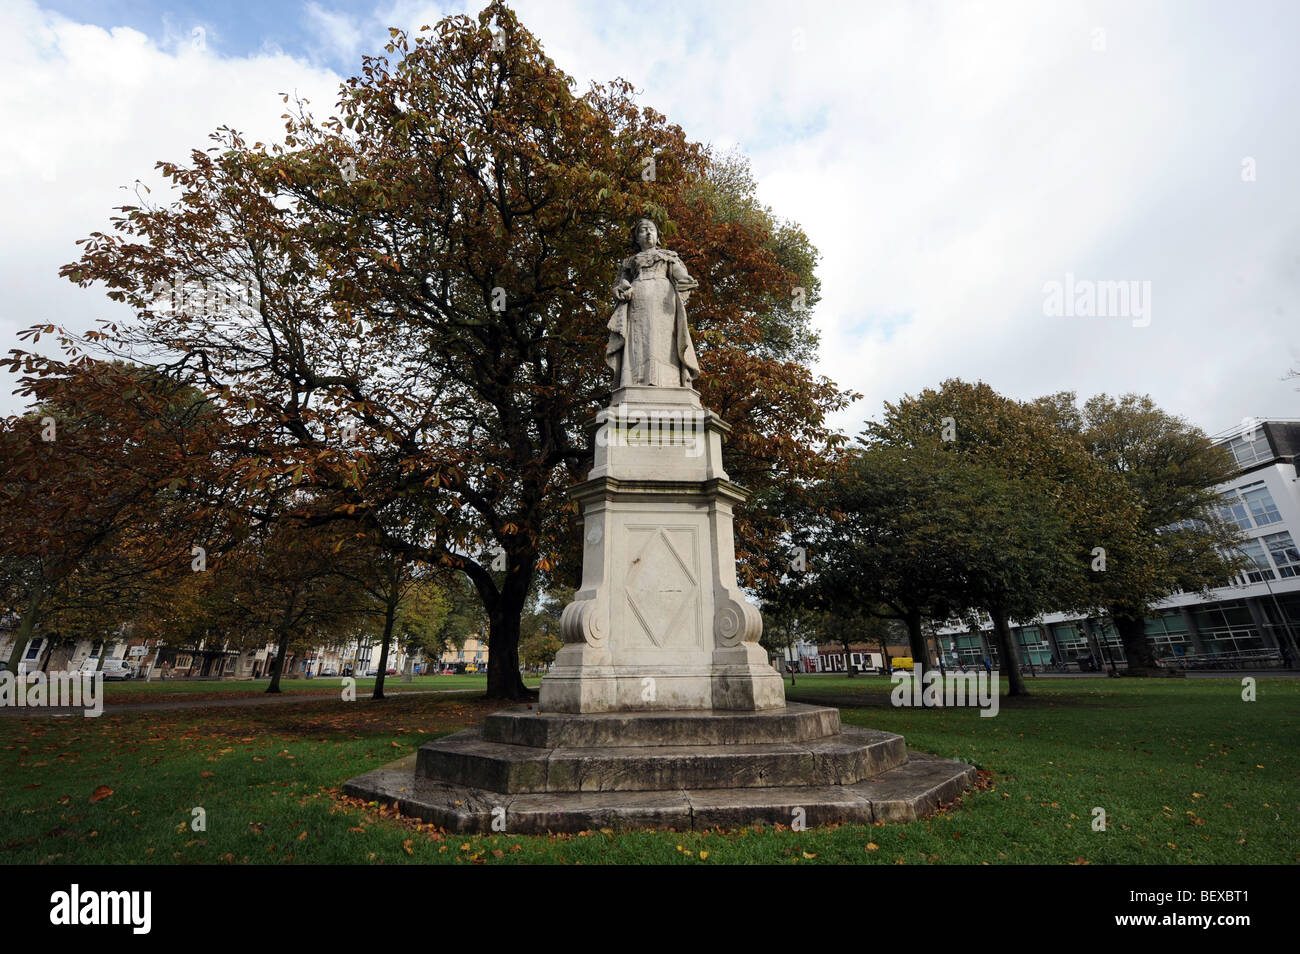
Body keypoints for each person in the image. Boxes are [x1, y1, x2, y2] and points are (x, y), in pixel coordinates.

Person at [606, 219, 700, 388]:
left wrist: (686, 280)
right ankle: (635, 381)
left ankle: (669, 382)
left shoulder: (668, 256)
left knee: (664, 340)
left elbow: (679, 274)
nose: (648, 233)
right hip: (637, 301)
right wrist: (622, 288)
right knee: (639, 340)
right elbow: (619, 284)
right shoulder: (629, 262)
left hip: (664, 300)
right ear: (636, 239)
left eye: (652, 230)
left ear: (658, 237)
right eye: (643, 230)